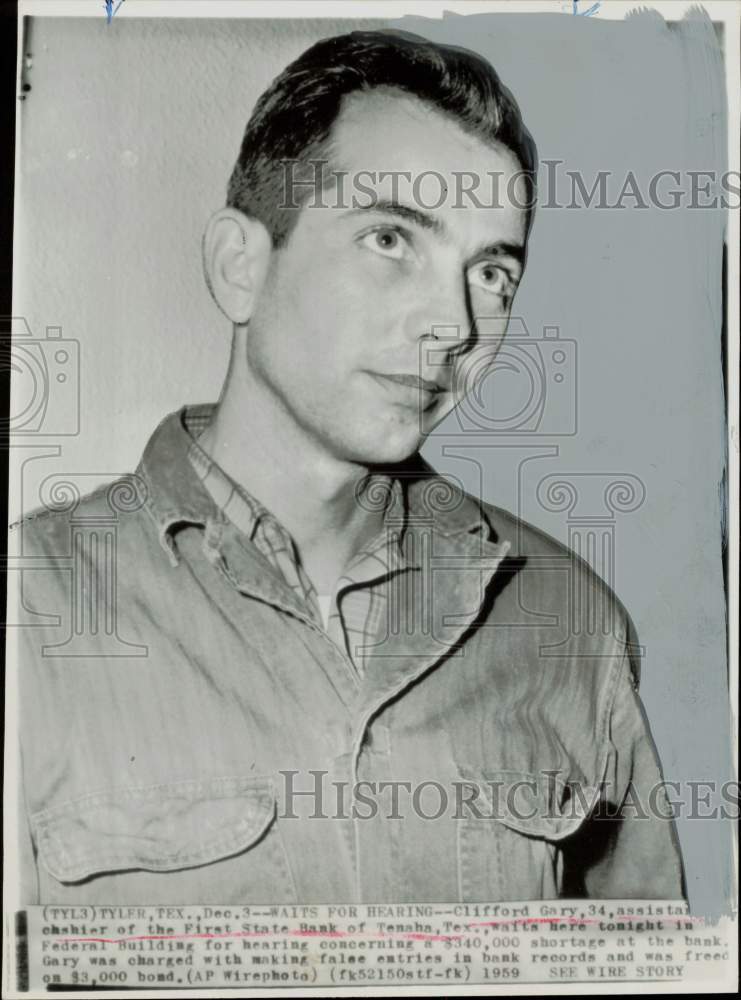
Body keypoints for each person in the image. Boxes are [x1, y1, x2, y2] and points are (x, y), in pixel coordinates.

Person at [12, 29, 684, 904]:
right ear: (239, 266)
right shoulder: (34, 606)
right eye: (391, 240)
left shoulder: (568, 618)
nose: (452, 325)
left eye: (491, 274)